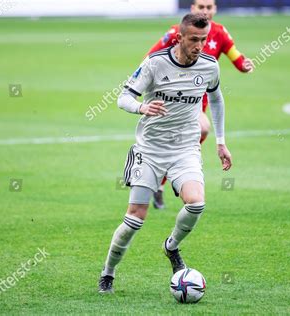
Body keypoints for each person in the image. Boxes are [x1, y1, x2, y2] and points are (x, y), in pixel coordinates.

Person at [98, 13, 232, 294]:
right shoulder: (155, 63)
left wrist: (220, 142)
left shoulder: (209, 66)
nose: (200, 45)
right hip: (149, 150)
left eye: (204, 40)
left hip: (185, 149)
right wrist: (141, 108)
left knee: (196, 203)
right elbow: (123, 97)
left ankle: (171, 247)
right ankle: (108, 273)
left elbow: (217, 100)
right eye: (194, 39)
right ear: (179, 37)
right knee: (135, 219)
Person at [148, 0, 253, 209]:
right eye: (200, 7)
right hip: (170, 101)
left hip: (196, 105)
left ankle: (164, 182)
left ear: (215, 9)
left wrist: (244, 65)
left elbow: (236, 57)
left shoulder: (220, 33)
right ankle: (165, 178)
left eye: (209, 7)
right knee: (193, 132)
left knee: (199, 130)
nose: (205, 11)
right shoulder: (177, 32)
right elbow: (151, 57)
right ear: (192, 9)